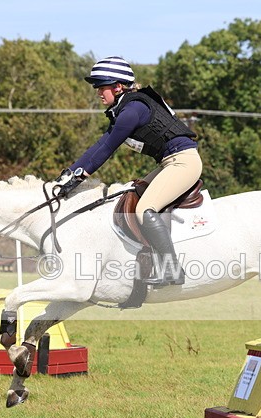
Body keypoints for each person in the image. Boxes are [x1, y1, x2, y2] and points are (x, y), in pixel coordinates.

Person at [57, 56, 201, 286]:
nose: (98, 92)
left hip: (183, 162)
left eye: (101, 87)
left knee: (144, 209)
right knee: (132, 195)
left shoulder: (133, 109)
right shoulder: (125, 108)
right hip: (170, 162)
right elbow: (99, 144)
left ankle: (172, 269)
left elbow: (107, 148)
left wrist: (79, 177)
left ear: (118, 87)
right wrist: (69, 172)